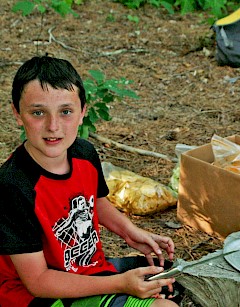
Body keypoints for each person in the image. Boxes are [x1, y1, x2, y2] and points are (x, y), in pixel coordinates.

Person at [0, 56, 179, 307]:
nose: (54, 126)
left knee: (171, 277)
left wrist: (130, 232)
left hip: (86, 271)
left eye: (65, 112)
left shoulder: (83, 152)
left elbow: (96, 201)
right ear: (17, 114)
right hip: (39, 295)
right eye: (38, 112)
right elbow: (37, 281)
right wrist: (120, 284)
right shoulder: (12, 186)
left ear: (82, 112)